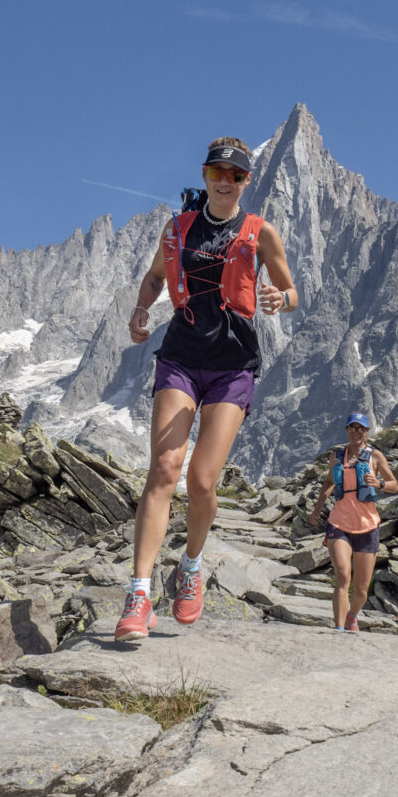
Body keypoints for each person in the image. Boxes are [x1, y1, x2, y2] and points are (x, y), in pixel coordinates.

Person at [114, 137, 298, 642]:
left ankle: (191, 565)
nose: (224, 181)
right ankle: (140, 593)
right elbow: (154, 278)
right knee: (164, 468)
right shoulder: (178, 229)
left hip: (233, 364)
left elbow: (291, 290)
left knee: (201, 480)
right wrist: (140, 309)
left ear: (246, 182)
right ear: (205, 174)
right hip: (180, 355)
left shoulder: (261, 233)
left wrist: (278, 298)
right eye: (217, 172)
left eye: (234, 175)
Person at [309, 412, 398, 631]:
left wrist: (378, 484)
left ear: (367, 432)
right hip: (338, 524)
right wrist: (317, 509)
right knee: (342, 576)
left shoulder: (375, 456)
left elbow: (395, 484)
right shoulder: (337, 456)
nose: (356, 432)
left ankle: (352, 616)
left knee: (360, 590)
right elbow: (330, 482)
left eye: (361, 428)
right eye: (352, 428)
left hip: (367, 526)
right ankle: (339, 631)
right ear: (347, 430)